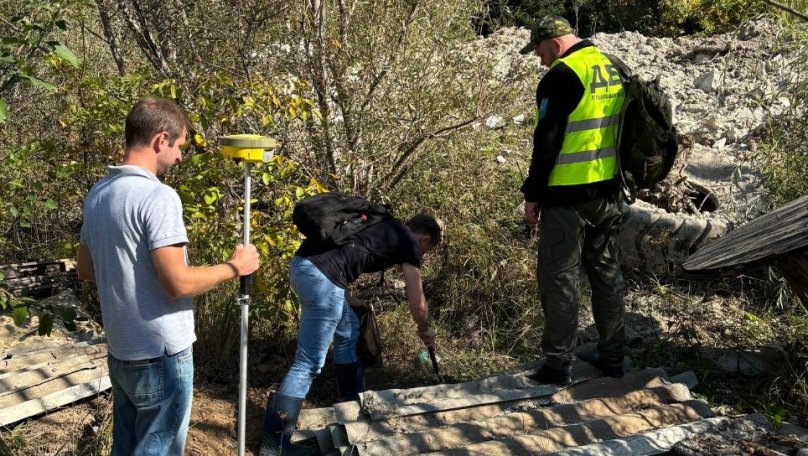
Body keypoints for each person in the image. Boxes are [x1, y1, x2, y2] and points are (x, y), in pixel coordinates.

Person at [76, 97, 260, 455]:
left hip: (122, 351)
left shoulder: (99, 193)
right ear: (161, 140)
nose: (178, 158)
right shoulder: (158, 197)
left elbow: (86, 269)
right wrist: (235, 267)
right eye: (179, 147)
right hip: (161, 354)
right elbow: (176, 282)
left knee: (126, 447)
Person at [259, 213, 441, 456]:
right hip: (321, 279)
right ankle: (276, 445)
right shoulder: (409, 243)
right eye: (427, 251)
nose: (422, 256)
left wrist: (348, 298)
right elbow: (417, 304)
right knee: (308, 362)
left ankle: (353, 405)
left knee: (348, 330)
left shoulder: (384, 225)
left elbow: (337, 257)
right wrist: (424, 328)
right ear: (424, 239)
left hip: (304, 267)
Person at [518, 15, 627, 385]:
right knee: (606, 275)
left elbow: (545, 141)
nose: (540, 59)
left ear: (555, 42)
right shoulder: (612, 67)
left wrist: (532, 194)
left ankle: (557, 364)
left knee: (559, 278)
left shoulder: (562, 75)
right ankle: (613, 357)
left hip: (567, 197)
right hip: (608, 193)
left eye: (539, 50)